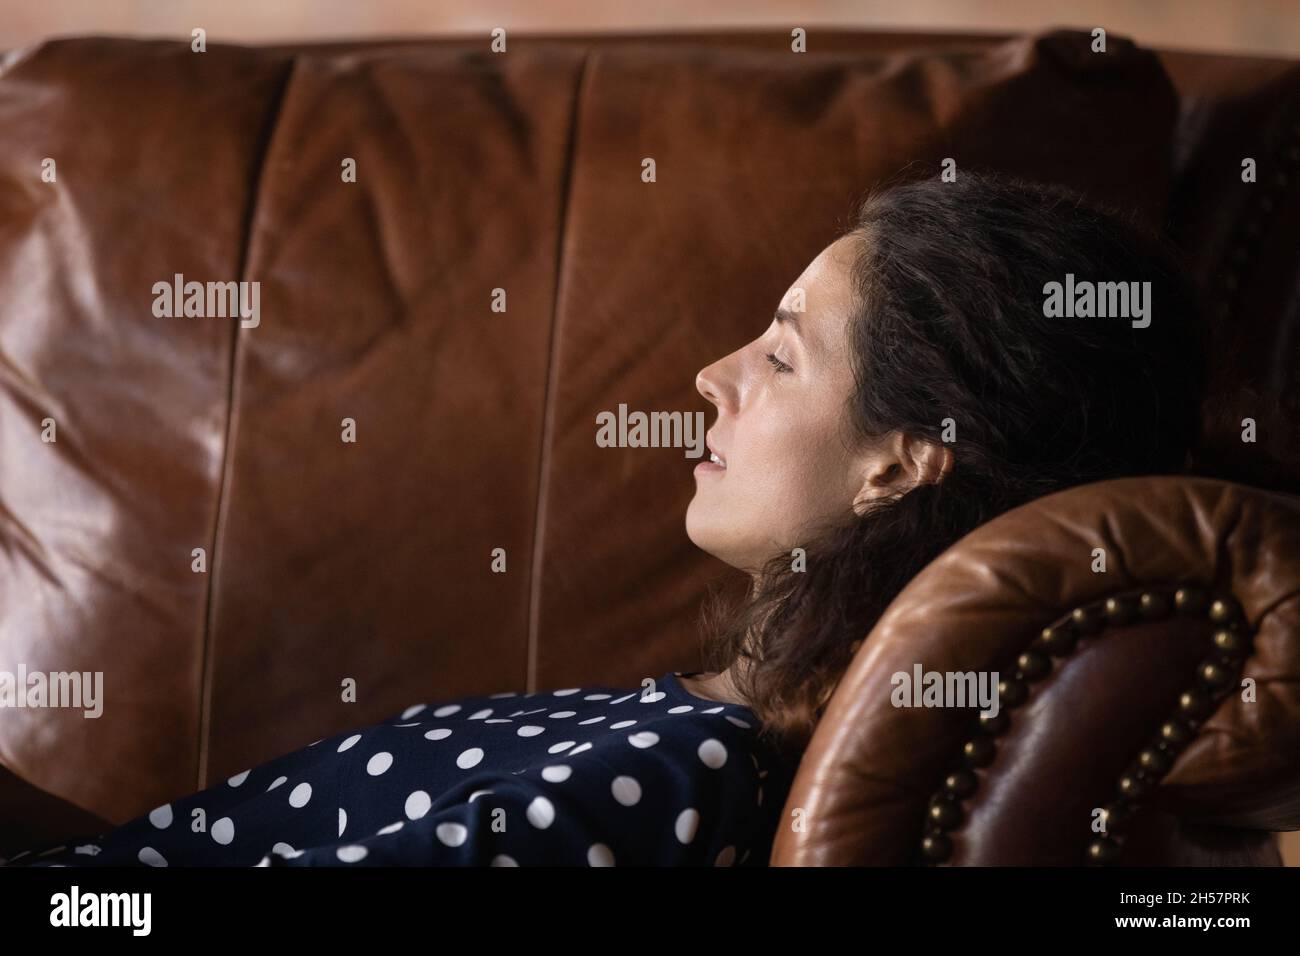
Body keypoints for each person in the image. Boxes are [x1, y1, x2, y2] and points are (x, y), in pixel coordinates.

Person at [2, 171, 1202, 867]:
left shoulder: (687, 774)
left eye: (781, 357)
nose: (711, 377)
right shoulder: (689, 734)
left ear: (898, 465)